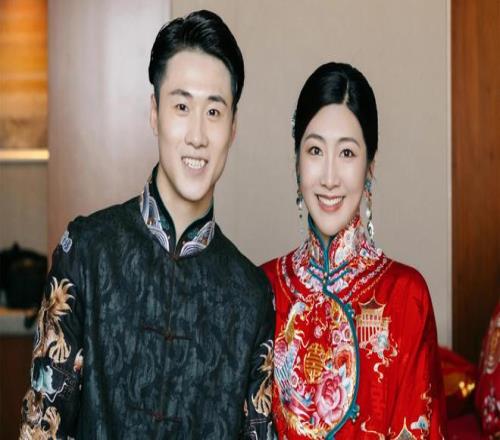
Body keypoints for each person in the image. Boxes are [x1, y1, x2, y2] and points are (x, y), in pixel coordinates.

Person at [20, 10, 274, 439]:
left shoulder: (251, 295)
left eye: (214, 111)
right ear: (155, 113)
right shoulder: (86, 251)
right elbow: (41, 423)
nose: (197, 135)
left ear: (233, 127)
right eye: (181, 106)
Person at [262, 62, 446, 439]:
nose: (330, 178)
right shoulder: (261, 289)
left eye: (347, 153)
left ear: (370, 167)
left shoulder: (406, 297)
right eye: (315, 150)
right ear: (297, 163)